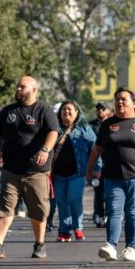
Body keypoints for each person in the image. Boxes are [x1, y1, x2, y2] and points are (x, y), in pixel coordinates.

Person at [0, 76, 59, 259]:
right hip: (10, 170)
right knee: (5, 207)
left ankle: (39, 244)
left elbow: (54, 131)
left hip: (36, 172)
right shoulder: (8, 111)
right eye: (17, 86)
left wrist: (45, 150)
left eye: (22, 86)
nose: (18, 89)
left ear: (34, 90)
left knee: (38, 210)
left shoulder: (44, 110)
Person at [87, 88, 135, 262]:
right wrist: (89, 170)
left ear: (134, 104)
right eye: (117, 100)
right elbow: (97, 149)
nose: (119, 102)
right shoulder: (108, 124)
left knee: (132, 212)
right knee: (113, 210)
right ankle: (111, 246)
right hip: (112, 176)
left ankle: (130, 248)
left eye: (123, 99)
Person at [52, 101, 97, 243]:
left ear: (77, 112)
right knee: (61, 202)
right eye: (63, 110)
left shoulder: (84, 128)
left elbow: (96, 149)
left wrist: (96, 168)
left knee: (74, 199)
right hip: (58, 174)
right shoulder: (54, 129)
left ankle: (77, 227)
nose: (66, 112)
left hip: (77, 173)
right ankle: (64, 231)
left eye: (70, 110)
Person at [88, 101, 112, 228]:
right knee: (98, 192)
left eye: (103, 109)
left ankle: (109, 215)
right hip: (96, 164)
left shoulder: (113, 124)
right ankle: (98, 215)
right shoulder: (91, 125)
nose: (100, 111)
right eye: (98, 109)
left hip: (110, 164)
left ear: (108, 111)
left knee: (110, 192)